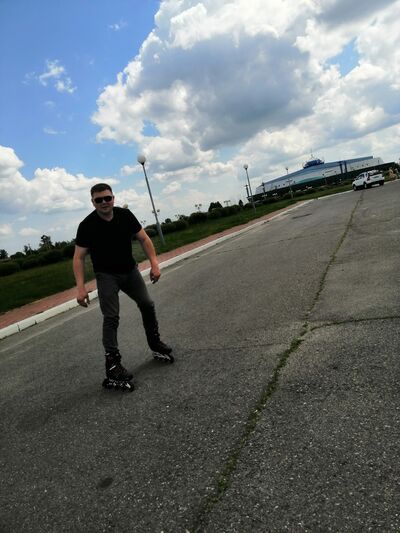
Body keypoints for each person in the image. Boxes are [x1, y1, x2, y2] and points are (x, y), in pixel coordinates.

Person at [73, 183, 173, 386]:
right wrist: (80, 287)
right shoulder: (87, 225)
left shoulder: (125, 215)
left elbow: (144, 239)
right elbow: (78, 257)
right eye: (99, 200)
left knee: (147, 304)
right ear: (92, 202)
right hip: (106, 276)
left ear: (113, 198)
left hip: (130, 271)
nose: (104, 202)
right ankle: (112, 365)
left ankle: (155, 342)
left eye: (107, 198)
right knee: (111, 317)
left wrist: (154, 264)